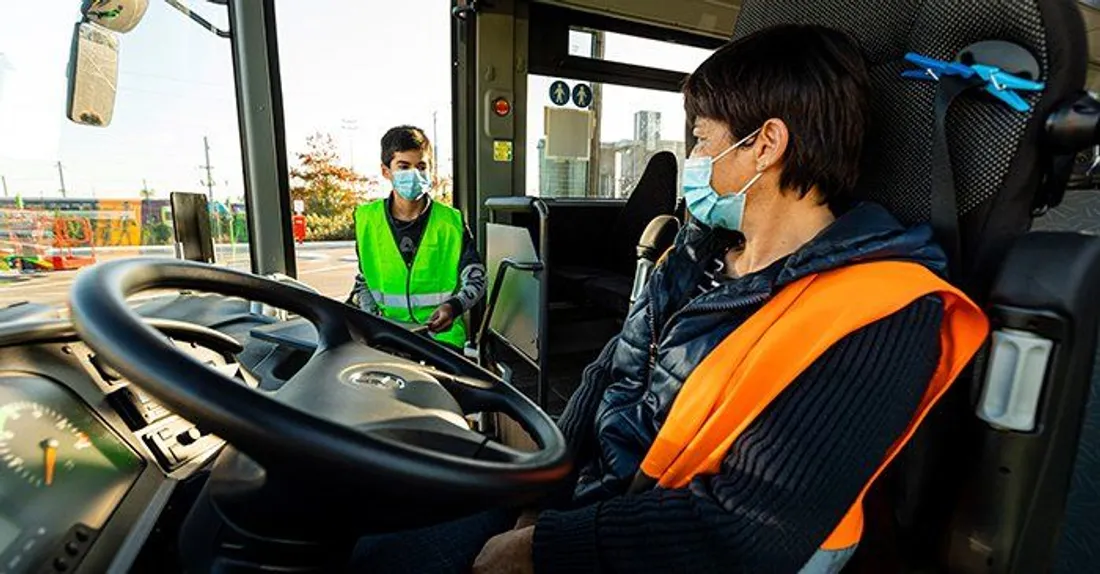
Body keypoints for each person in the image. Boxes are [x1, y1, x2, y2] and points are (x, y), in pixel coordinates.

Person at [351, 25, 988, 573]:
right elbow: (610, 373)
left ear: (765, 145)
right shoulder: (698, 254)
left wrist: (544, 546)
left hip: (662, 540)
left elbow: (745, 531)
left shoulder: (885, 310)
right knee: (375, 537)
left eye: (704, 139)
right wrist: (539, 487)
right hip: (595, 495)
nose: (694, 158)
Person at [349, 126, 486, 350]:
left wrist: (454, 307)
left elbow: (477, 278)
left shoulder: (451, 221)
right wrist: (371, 320)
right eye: (404, 166)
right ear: (386, 171)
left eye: (421, 166)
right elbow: (364, 280)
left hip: (441, 338)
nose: (414, 174)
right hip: (387, 336)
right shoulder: (367, 220)